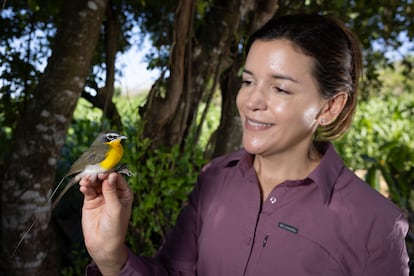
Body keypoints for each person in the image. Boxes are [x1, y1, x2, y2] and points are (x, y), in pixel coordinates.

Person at [80, 13, 410, 276]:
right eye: (248, 81)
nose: (251, 101)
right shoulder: (214, 180)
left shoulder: (376, 224)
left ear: (329, 107)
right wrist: (111, 258)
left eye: (280, 88)